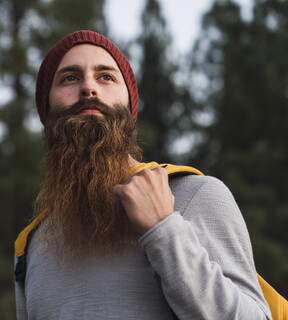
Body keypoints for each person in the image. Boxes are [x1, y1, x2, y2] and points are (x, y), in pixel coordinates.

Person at [14, 30, 272, 319]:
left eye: (106, 76)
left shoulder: (195, 194)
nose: (88, 88)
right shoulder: (33, 243)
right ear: (47, 112)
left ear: (129, 108)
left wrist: (163, 228)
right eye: (70, 78)